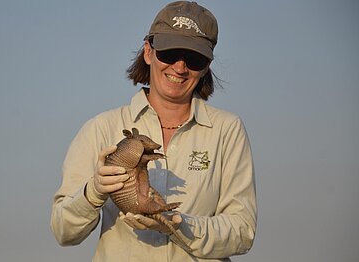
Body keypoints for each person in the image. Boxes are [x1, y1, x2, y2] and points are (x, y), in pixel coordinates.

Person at [50, 1, 257, 261]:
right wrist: (93, 192)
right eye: (169, 54)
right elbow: (63, 231)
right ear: (148, 52)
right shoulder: (101, 128)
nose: (180, 67)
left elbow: (243, 230)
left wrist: (178, 224)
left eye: (194, 59)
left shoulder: (227, 130)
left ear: (206, 66)